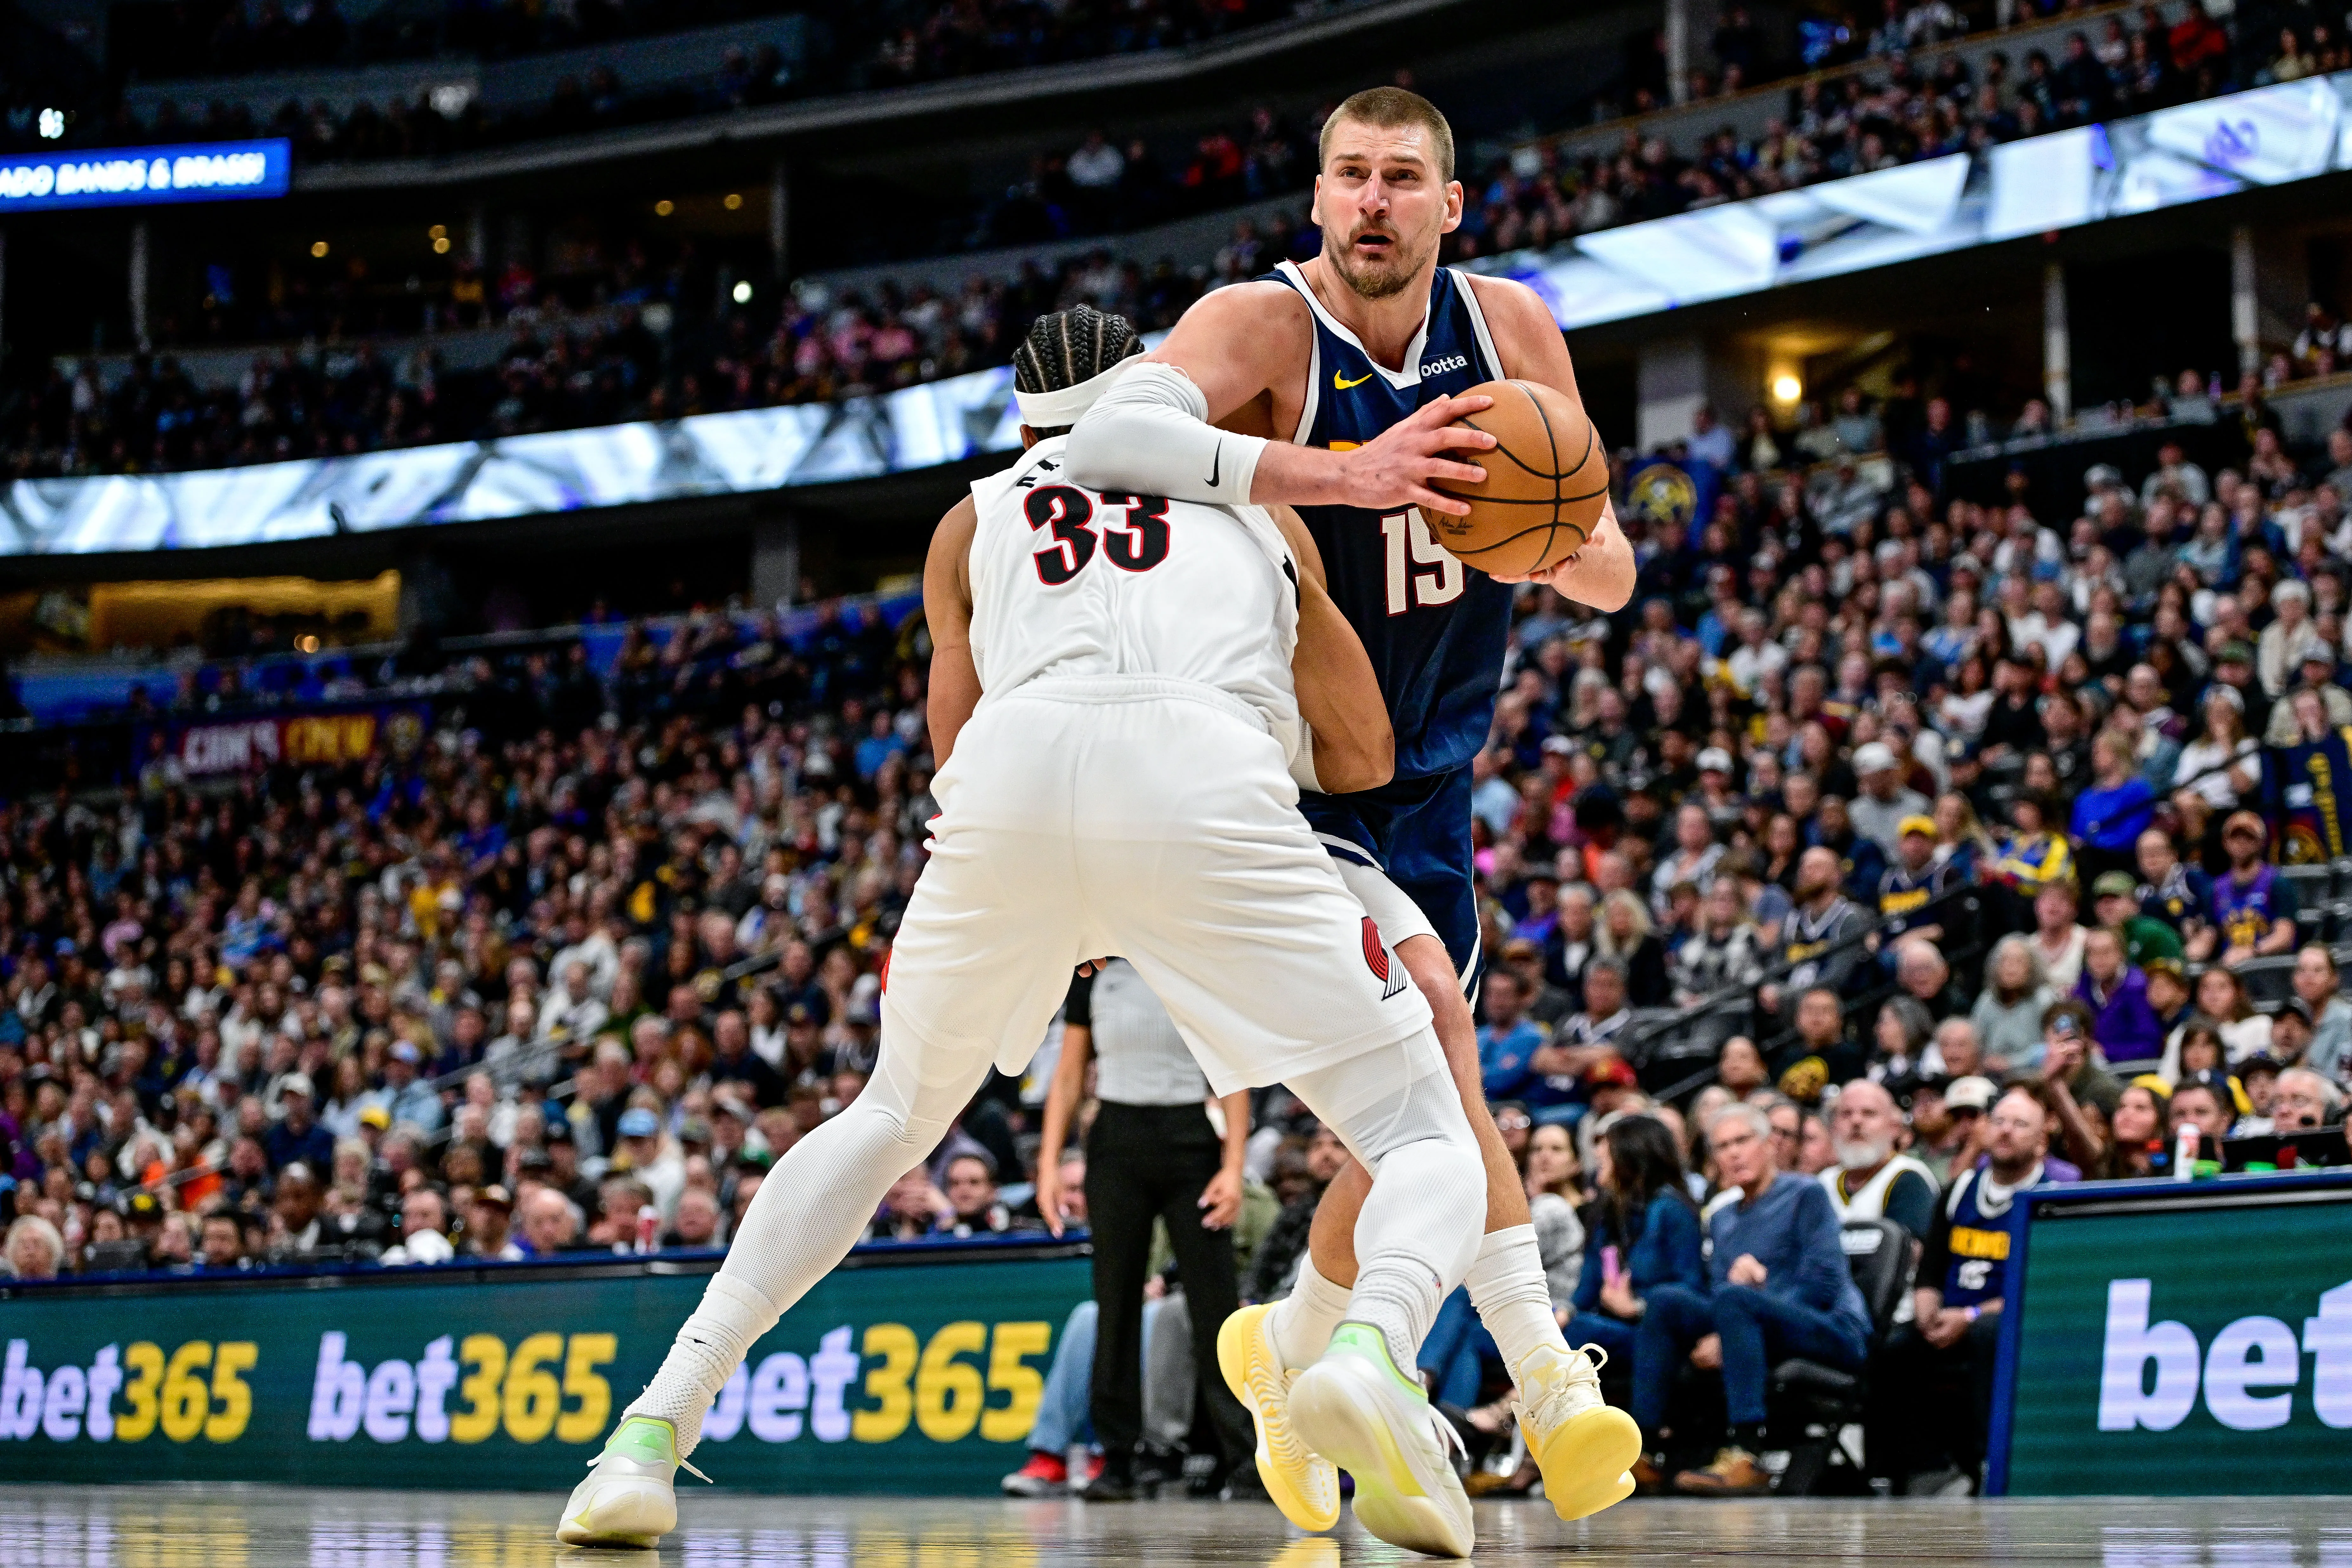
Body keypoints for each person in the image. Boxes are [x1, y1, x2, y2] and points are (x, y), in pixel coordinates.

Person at [559, 306, 1501, 1557]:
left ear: (1025, 420)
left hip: (1009, 783)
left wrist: (1070, 893)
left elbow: (953, 739)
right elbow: (1364, 750)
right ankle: (1371, 1344)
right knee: (1416, 1123)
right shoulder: (1257, 509)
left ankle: (647, 1432)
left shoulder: (972, 517)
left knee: (887, 1114)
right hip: (1202, 780)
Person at [1065, 85, 1640, 1537]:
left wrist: (1531, 537)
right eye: (1348, 177)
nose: (1372, 201)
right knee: (1438, 1050)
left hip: (1426, 784)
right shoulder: (1259, 330)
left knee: (1407, 1132)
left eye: (1401, 179)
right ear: (1316, 200)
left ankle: (1290, 1354)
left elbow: (1610, 572)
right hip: (1271, 774)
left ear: (1449, 205)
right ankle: (1536, 1374)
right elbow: (1104, 444)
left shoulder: (1507, 333)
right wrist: (1343, 475)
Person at [1032, 958, 1256, 1500]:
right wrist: (1047, 1165)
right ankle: (1117, 1458)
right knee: (1114, 1304)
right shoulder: (1090, 973)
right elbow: (1067, 1076)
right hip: (1115, 1142)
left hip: (1191, 1141)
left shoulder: (1193, 959)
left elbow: (1232, 1068)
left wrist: (1232, 1165)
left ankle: (1246, 1459)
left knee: (1214, 1306)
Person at [1630, 1102, 1871, 1497]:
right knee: (1665, 1299)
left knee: (1735, 1297)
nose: (1734, 1153)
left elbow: (1823, 1282)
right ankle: (1643, 1449)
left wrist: (1749, 1311)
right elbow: (1717, 1297)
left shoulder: (1805, 1193)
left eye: (1743, 1140)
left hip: (1831, 1328)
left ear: (1770, 1145)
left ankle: (1748, 1453)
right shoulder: (1723, 1216)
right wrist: (1731, 1324)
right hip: (1754, 1324)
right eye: (1723, 1146)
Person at [1887, 1085, 2062, 1494]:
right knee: (1896, 1348)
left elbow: (2039, 1283)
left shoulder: (2050, 1197)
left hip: (2007, 1321)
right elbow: (1931, 1268)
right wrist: (1927, 1308)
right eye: (1999, 1121)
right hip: (1951, 1317)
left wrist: (1969, 1316)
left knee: (1989, 1335)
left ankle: (1990, 1463)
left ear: (2041, 1141)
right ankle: (1922, 1467)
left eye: (2020, 1124)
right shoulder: (1960, 1189)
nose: (2005, 1131)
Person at [1566, 1115, 1706, 1363]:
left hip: (1653, 1330)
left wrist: (1637, 1306)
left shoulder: (1671, 1209)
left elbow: (1691, 1286)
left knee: (1582, 1332)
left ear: (1631, 1154)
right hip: (1609, 1321)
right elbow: (1587, 1286)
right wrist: (1565, 1312)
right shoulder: (1604, 1212)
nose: (1598, 1153)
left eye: (1606, 1146)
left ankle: (1518, 1400)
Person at [1819, 1079, 1937, 1237]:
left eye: (1869, 1113)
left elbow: (1909, 1253)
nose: (1856, 1121)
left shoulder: (1908, 1177)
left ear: (1894, 1128)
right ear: (1833, 1128)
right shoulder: (1824, 1182)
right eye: (1846, 1114)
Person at [2211, 810, 2298, 963]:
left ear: (2262, 842)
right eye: (2235, 837)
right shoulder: (2215, 888)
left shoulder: (2278, 883)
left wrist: (2252, 951)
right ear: (2225, 843)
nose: (2241, 843)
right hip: (2228, 971)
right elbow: (2208, 936)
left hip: (2268, 968)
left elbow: (2285, 936)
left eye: (2249, 838)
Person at [1969, 935, 2054, 1071]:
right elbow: (1974, 1040)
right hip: (1990, 1075)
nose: (2011, 968)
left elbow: (2054, 1045)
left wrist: (2010, 1063)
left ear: (2031, 968)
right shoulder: (1987, 1000)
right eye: (2005, 961)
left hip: (2033, 1076)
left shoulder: (2044, 998)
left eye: (2018, 962)